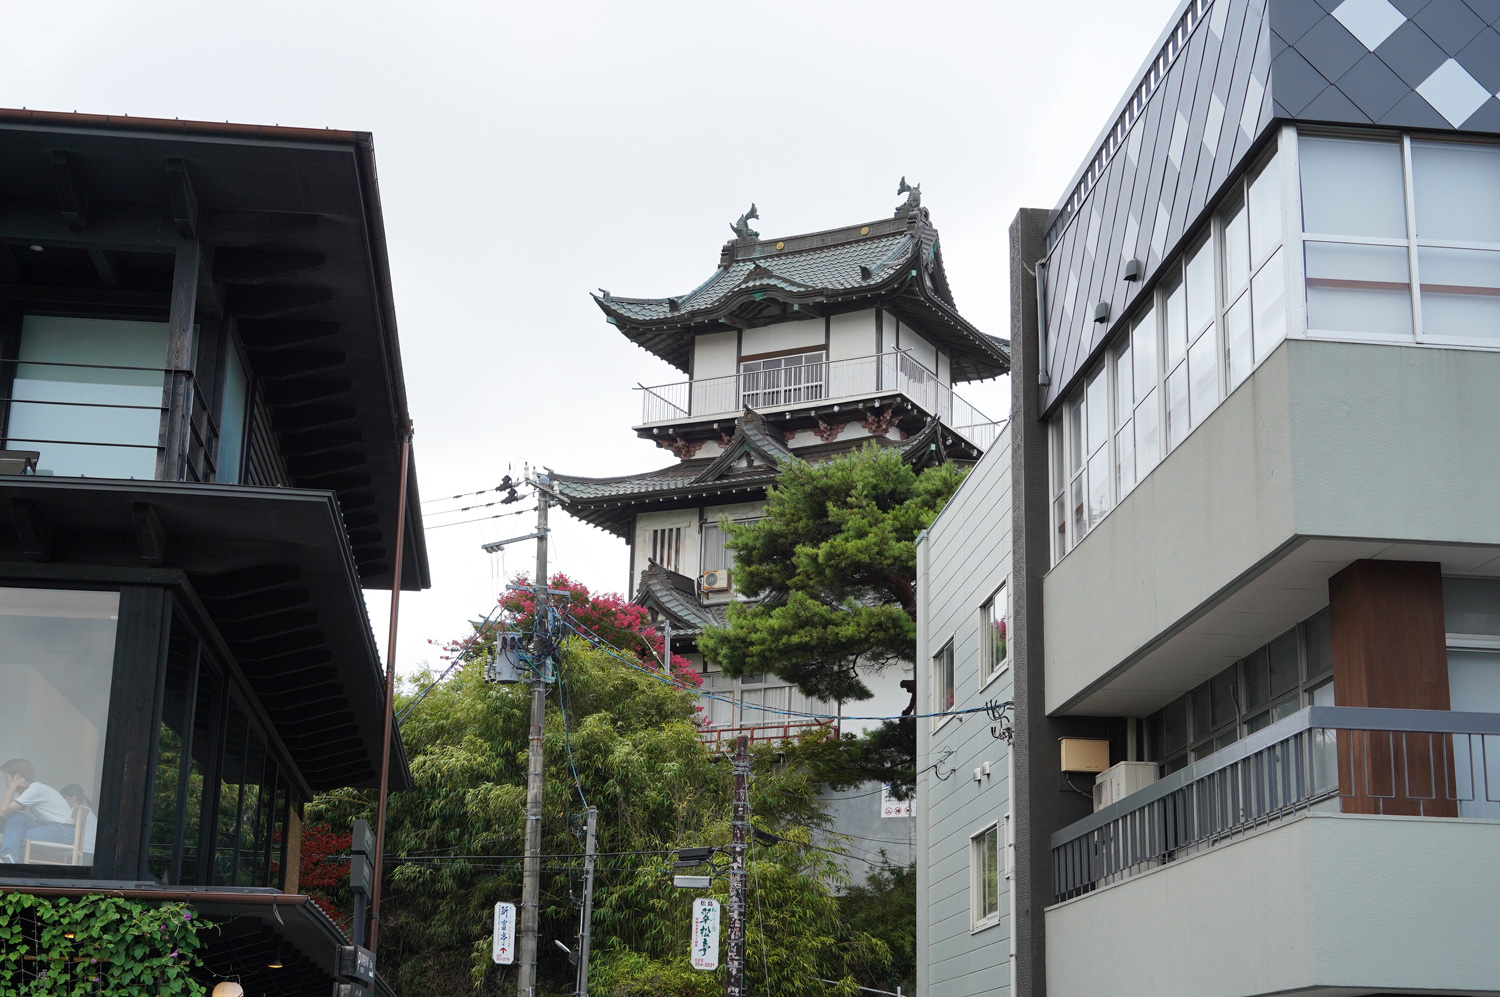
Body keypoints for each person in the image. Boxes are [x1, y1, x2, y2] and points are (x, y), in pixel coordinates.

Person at [0, 758, 76, 863]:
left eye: (7, 778)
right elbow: (6, 812)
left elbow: (4, 810)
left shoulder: (34, 790)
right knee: (16, 818)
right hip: (52, 828)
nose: (5, 782)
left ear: (16, 776)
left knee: (13, 837)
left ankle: (8, 859)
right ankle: (8, 857)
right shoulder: (29, 791)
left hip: (64, 832)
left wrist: (12, 786)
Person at [59, 784, 97, 859]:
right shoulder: (86, 809)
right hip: (90, 852)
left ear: (74, 798)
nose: (62, 802)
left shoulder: (79, 810)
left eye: (64, 798)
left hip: (85, 853)